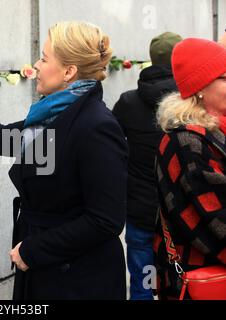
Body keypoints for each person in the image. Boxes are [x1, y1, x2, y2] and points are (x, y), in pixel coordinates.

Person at [0, 21, 128, 300]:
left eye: (44, 58)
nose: (36, 65)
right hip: (47, 270)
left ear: (69, 71)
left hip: (79, 280)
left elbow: (106, 220)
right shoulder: (52, 117)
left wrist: (33, 250)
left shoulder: (96, 126)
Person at [154, 38, 226, 299]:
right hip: (202, 278)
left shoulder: (214, 132)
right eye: (225, 78)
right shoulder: (187, 142)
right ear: (200, 88)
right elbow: (215, 221)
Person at [112, 32, 182, 300]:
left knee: (143, 280)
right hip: (179, 208)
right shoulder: (190, 101)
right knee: (179, 281)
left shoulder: (128, 102)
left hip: (139, 208)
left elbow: (114, 149)